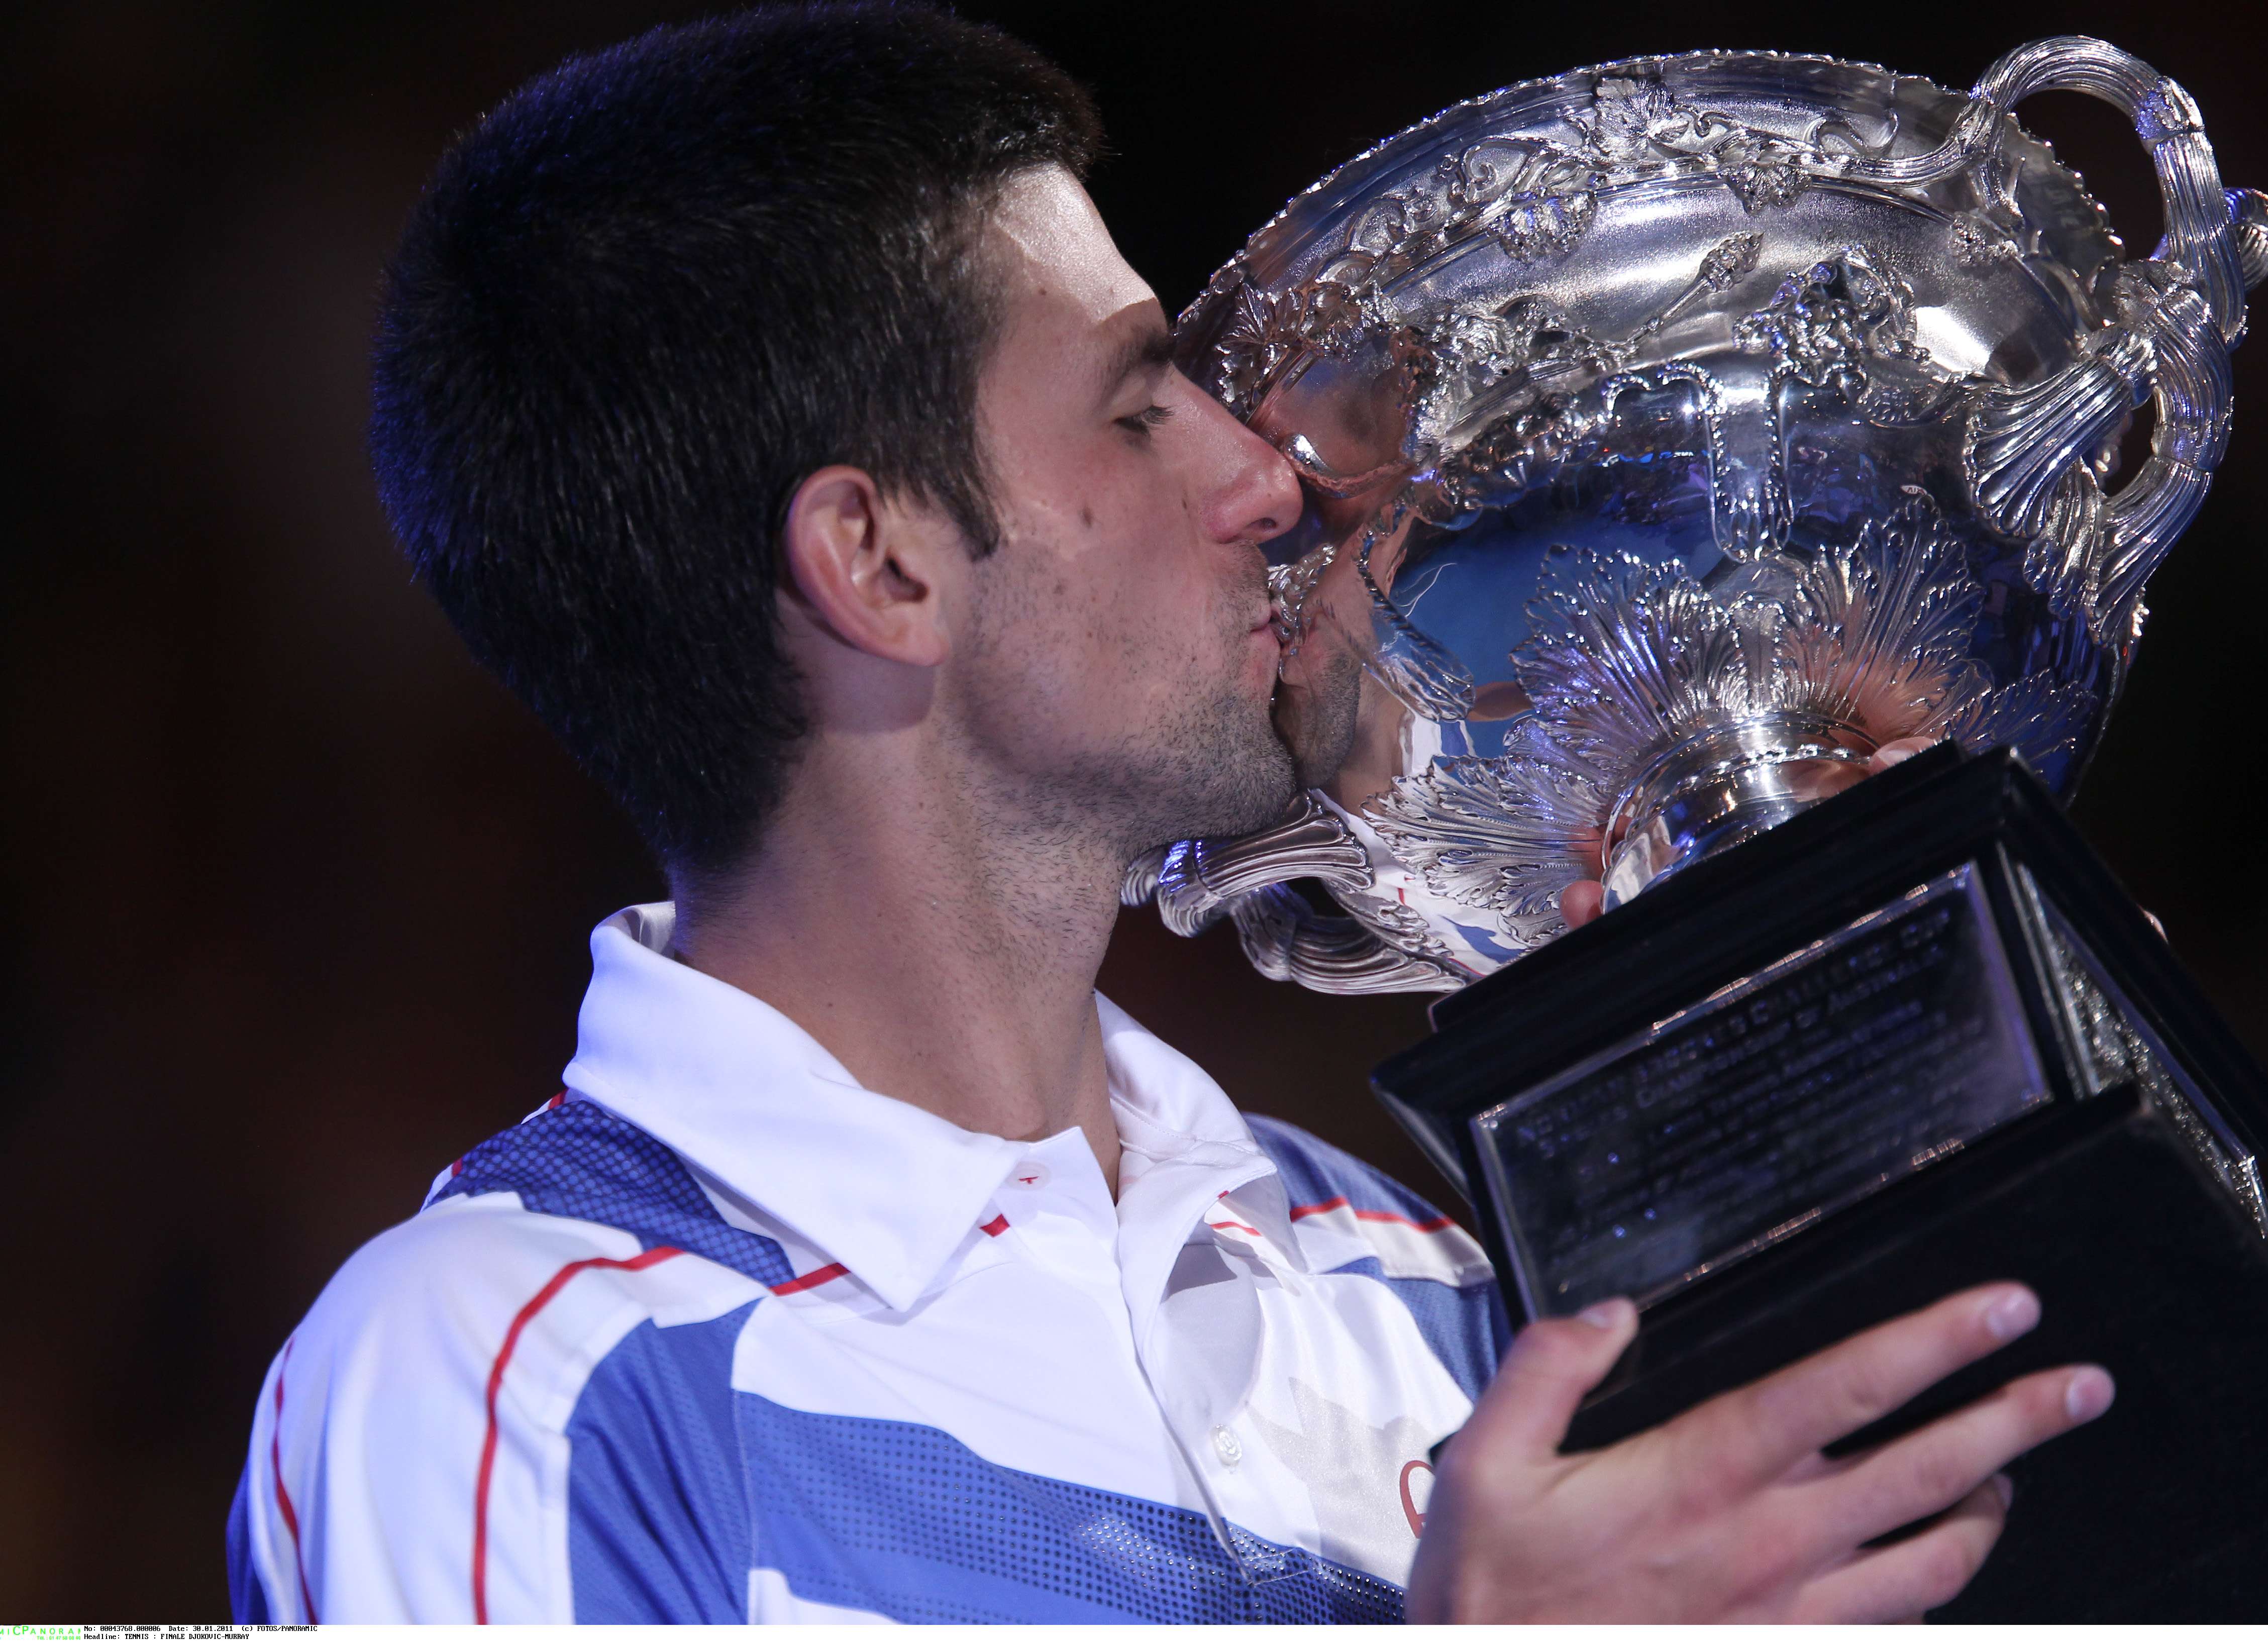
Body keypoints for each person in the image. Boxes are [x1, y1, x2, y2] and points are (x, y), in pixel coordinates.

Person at [227, 5, 2113, 1622]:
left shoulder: (1428, 1288)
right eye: (1138, 408)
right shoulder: (502, 1371)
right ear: (878, 565)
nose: (1260, 482)